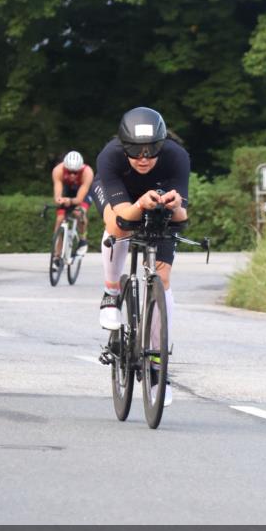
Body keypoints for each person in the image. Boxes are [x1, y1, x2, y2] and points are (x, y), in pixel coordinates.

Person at [91, 107, 190, 406]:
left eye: (151, 151)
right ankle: (111, 292)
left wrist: (173, 206)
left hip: (157, 206)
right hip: (120, 201)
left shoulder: (177, 156)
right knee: (118, 232)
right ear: (124, 146)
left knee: (163, 278)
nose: (143, 158)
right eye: (135, 151)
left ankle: (159, 367)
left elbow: (183, 217)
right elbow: (118, 221)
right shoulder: (110, 156)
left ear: (162, 145)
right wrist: (140, 205)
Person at [51, 150, 94, 259]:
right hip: (68, 190)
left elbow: (79, 199)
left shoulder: (87, 172)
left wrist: (69, 202)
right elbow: (57, 194)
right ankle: (57, 254)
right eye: (69, 171)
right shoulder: (58, 170)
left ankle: (83, 239)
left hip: (83, 192)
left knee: (78, 212)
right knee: (59, 219)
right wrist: (59, 200)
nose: (72, 175)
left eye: (75, 172)